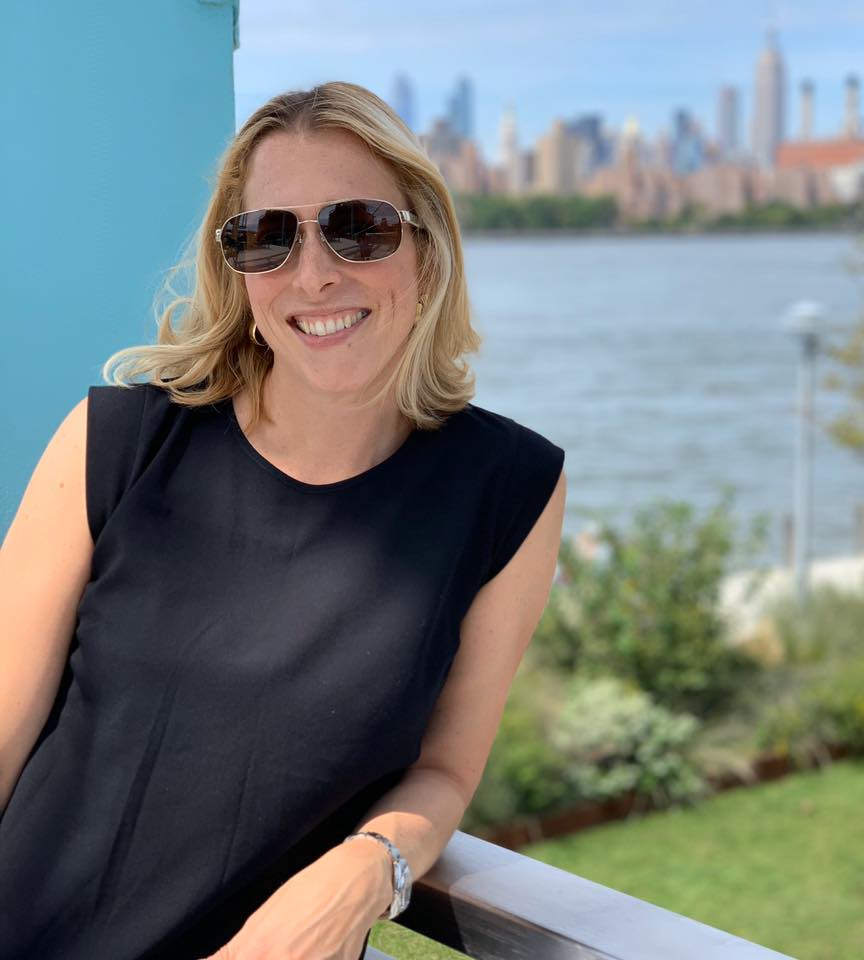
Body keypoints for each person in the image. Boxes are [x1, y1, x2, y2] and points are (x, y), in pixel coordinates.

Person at [0, 81, 566, 959]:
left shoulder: (512, 487)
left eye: (359, 227)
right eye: (267, 236)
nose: (312, 274)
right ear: (236, 268)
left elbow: (448, 769)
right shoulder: (115, 442)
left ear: (427, 246)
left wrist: (367, 868)